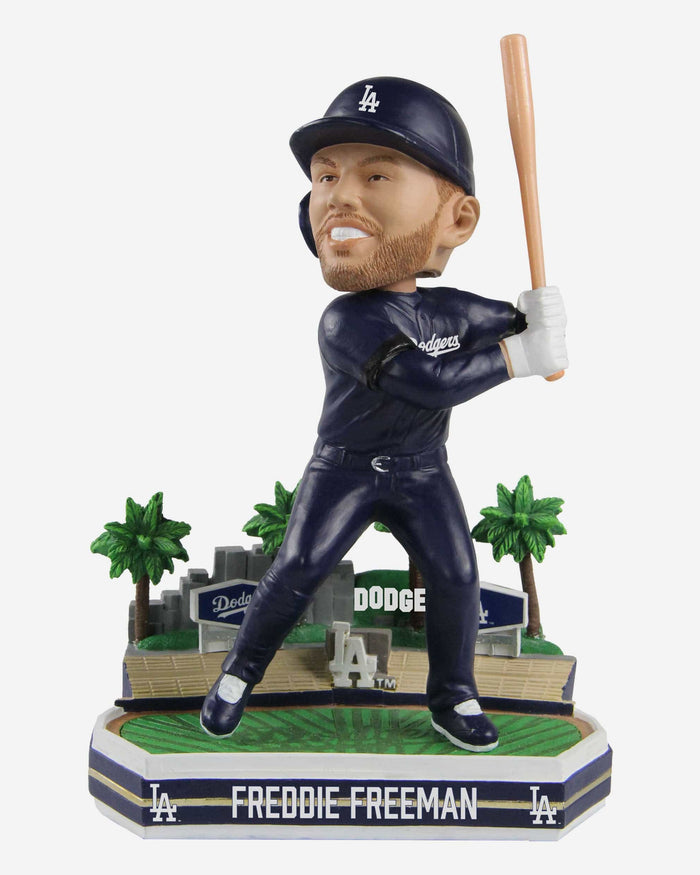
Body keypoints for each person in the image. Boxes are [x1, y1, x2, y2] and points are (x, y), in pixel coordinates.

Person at [201, 77, 568, 751]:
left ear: (457, 220)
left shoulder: (447, 308)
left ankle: (453, 695)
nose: (339, 196)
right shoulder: (345, 323)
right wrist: (521, 356)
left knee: (456, 575)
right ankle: (236, 676)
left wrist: (536, 316)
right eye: (326, 177)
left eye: (376, 176)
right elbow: (428, 383)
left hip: (422, 471)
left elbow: (503, 321)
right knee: (299, 566)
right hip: (343, 469)